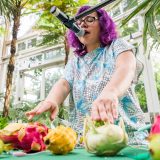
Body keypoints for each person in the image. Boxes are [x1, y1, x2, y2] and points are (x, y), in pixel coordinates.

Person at [26, 5, 148, 145]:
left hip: (126, 138)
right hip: (86, 141)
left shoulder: (116, 46)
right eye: (78, 22)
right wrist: (51, 100)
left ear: (102, 24)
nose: (82, 24)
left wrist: (111, 92)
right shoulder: (74, 63)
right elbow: (64, 83)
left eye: (89, 19)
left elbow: (126, 67)